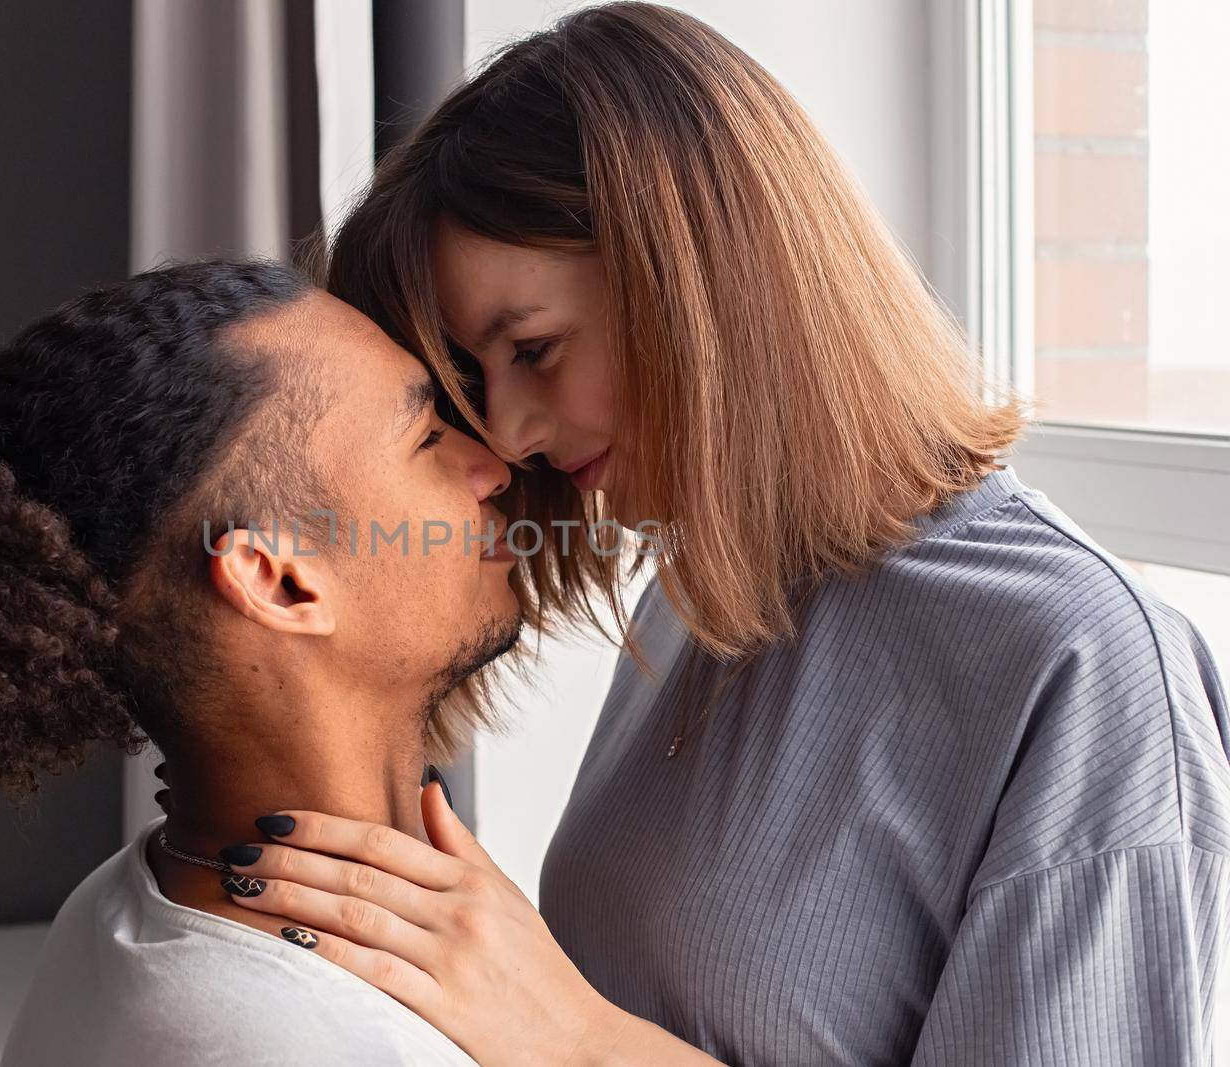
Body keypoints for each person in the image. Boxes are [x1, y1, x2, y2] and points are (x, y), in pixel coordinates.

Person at [203, 5, 1230, 1064]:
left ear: (699, 275)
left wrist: (572, 1033)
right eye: (475, 382)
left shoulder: (1085, 670)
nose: (507, 434)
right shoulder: (710, 582)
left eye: (537, 349)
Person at [0, 260, 532, 1065]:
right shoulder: (310, 1044)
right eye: (427, 438)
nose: (492, 466)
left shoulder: (119, 914)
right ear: (280, 580)